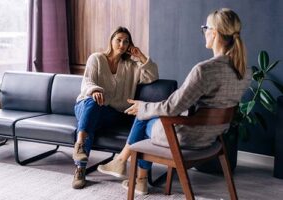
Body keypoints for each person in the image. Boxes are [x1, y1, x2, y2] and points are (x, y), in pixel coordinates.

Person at [97, 8, 251, 195]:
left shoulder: (205, 70)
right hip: (212, 138)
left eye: (205, 28)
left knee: (144, 116)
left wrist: (143, 107)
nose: (204, 32)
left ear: (214, 33)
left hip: (187, 138)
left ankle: (127, 167)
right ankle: (134, 175)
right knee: (148, 111)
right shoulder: (243, 71)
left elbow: (172, 107)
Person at [72, 26, 159, 189]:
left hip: (114, 113)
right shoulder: (96, 58)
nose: (122, 44)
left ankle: (82, 159)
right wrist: (95, 90)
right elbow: (87, 81)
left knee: (95, 112)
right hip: (86, 105)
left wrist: (141, 57)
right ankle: (80, 158)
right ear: (111, 41)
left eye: (126, 41)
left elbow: (152, 76)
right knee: (93, 104)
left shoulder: (132, 66)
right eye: (118, 40)